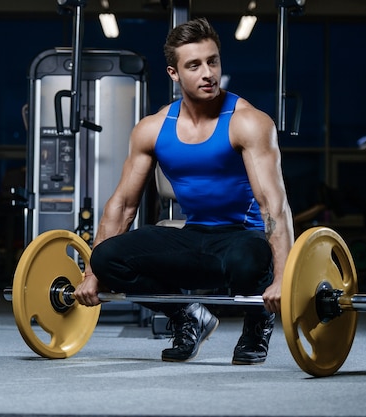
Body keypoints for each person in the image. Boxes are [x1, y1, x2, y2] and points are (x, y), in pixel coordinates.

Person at [75, 17, 294, 364]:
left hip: (241, 239)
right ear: (174, 74)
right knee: (105, 258)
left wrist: (283, 279)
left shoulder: (248, 122)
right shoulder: (153, 129)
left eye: (213, 61)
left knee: (248, 257)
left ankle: (256, 324)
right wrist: (92, 275)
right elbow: (123, 205)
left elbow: (274, 206)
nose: (208, 73)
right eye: (194, 65)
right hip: (193, 237)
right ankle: (187, 316)